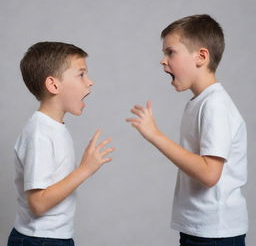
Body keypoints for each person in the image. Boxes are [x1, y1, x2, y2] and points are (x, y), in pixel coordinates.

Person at [126, 14, 248, 246]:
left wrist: (155, 135)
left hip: (215, 233)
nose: (163, 60)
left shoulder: (215, 105)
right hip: (201, 229)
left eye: (170, 52)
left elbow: (209, 173)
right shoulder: (200, 102)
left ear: (201, 56)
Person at [8, 42, 115, 246]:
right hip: (38, 240)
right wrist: (85, 169)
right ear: (53, 85)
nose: (90, 82)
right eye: (81, 74)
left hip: (52, 238)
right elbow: (38, 204)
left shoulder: (54, 128)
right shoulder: (39, 134)